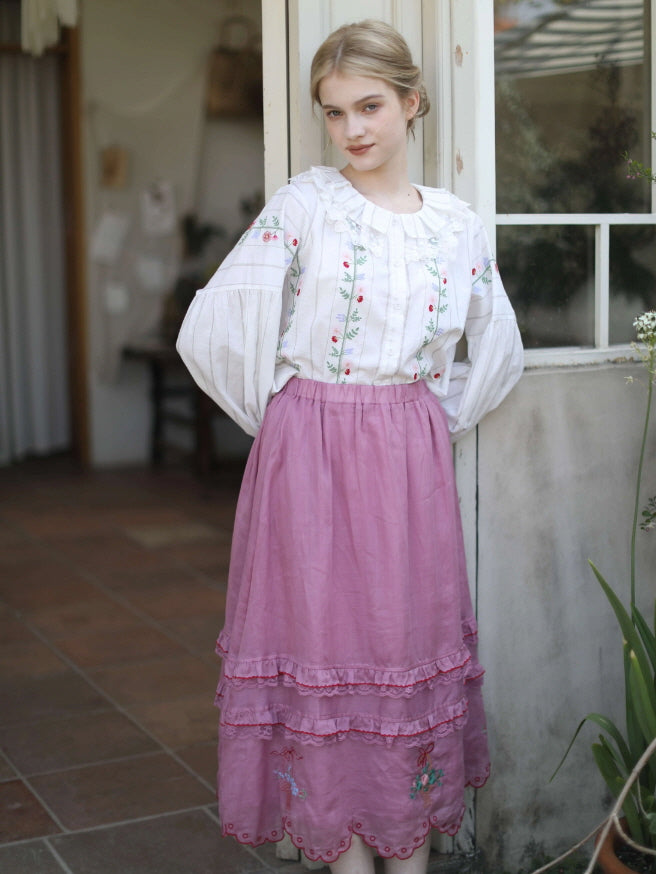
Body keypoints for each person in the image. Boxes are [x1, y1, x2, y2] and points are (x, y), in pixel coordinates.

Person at [176, 19, 523, 874]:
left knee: (400, 647)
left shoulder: (454, 225)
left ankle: (405, 850)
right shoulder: (306, 204)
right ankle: (344, 854)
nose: (354, 129)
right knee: (326, 650)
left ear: (412, 102)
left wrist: (429, 414)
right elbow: (212, 324)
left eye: (370, 106)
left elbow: (500, 347)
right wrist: (289, 420)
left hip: (406, 459)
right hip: (311, 456)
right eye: (335, 113)